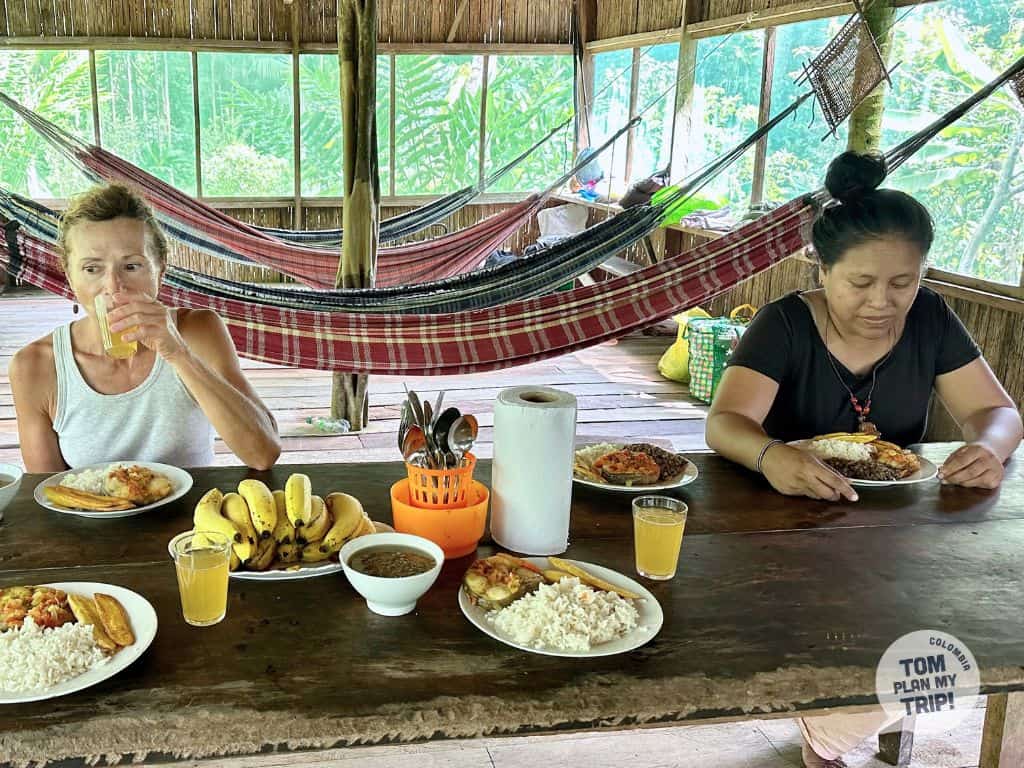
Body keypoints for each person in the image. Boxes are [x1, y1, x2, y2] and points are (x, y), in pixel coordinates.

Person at [705, 152, 1023, 767]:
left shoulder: (930, 319)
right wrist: (770, 455)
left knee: (965, 626)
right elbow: (725, 423)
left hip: (893, 534)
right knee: (897, 637)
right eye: (861, 283)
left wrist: (989, 446)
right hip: (785, 531)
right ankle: (829, 735)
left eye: (903, 283)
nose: (883, 302)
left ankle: (831, 729)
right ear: (820, 269)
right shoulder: (785, 325)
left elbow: (999, 412)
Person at [10, 183, 281, 472]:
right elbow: (48, 494)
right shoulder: (35, 366)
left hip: (195, 514)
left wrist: (178, 353)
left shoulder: (199, 331)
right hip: (93, 516)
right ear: (69, 276)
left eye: (132, 266)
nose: (113, 286)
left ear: (160, 270)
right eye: (92, 269)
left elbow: (262, 453)